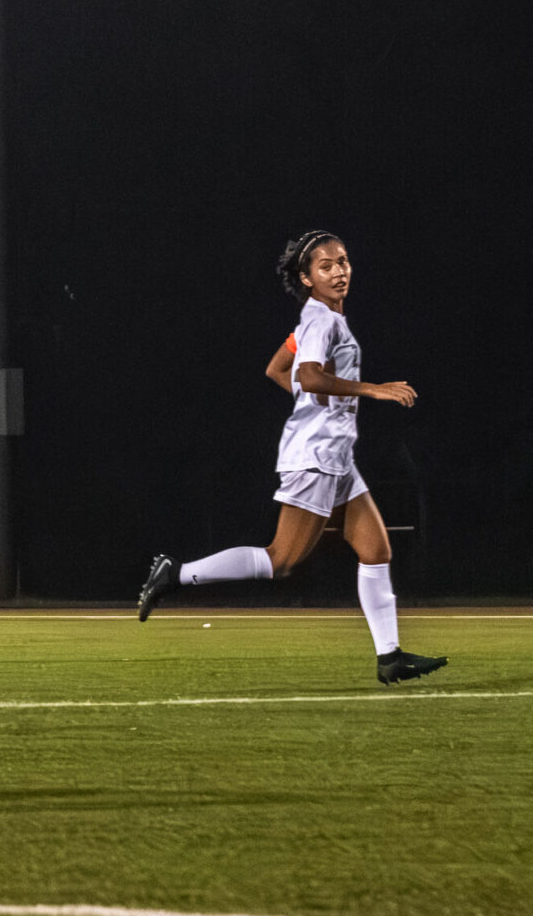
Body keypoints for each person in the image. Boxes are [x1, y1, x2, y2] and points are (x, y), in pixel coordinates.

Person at [137, 231, 444, 684]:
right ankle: (176, 573)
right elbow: (308, 375)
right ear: (307, 278)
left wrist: (315, 404)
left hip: (335, 457)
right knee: (281, 560)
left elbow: (277, 369)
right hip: (316, 457)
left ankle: (390, 657)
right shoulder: (322, 322)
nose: (339, 271)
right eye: (326, 266)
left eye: (343, 262)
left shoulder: (315, 320)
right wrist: (370, 390)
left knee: (376, 550)